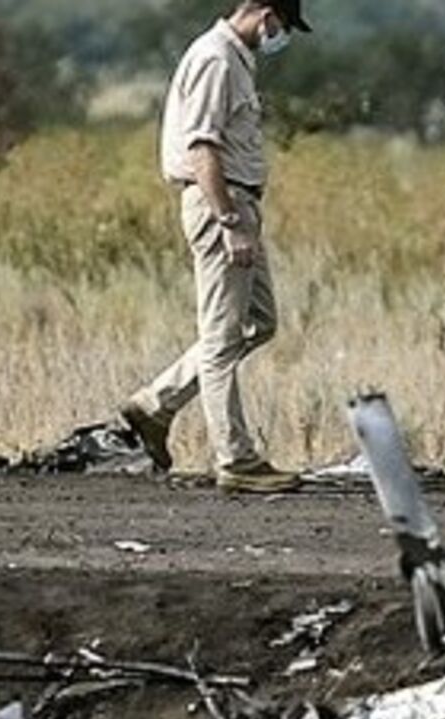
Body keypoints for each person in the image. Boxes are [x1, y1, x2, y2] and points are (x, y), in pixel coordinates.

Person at [116, 0, 311, 494]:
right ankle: (236, 460)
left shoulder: (234, 59)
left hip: (239, 204)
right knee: (222, 338)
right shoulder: (216, 58)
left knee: (259, 321)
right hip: (222, 205)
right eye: (282, 24)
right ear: (264, 12)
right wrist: (228, 220)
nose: (281, 35)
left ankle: (155, 404)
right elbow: (202, 147)